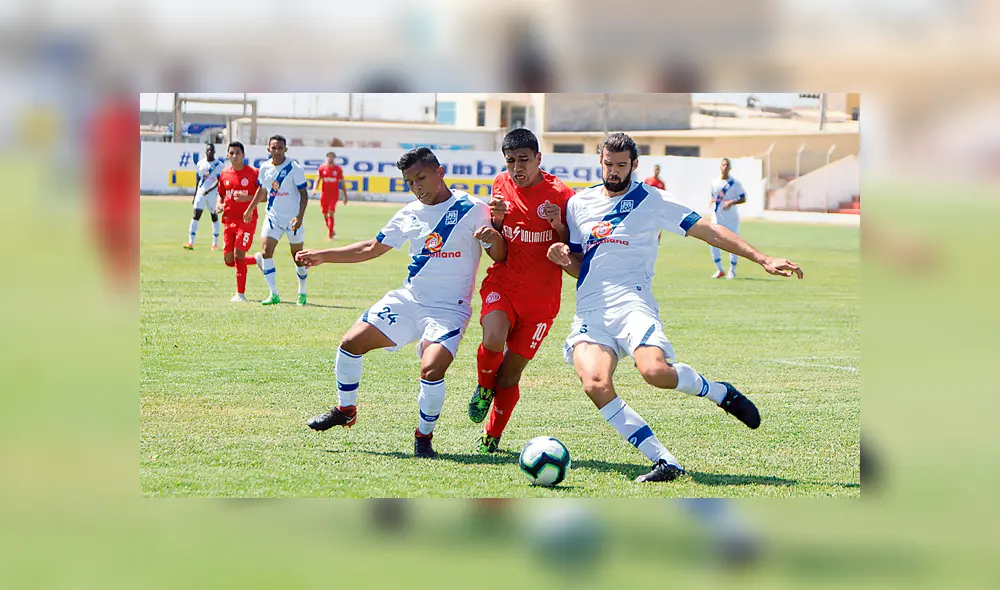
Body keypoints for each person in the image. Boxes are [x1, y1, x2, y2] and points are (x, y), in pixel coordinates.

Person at [547, 132, 803, 483]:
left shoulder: (653, 200)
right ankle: (665, 460)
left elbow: (710, 231)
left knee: (656, 373)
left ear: (635, 165)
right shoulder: (579, 204)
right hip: (591, 310)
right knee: (594, 382)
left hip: (632, 302)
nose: (614, 172)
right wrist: (562, 257)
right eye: (608, 164)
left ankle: (718, 392)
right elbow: (580, 263)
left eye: (622, 165)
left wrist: (762, 258)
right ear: (600, 162)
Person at [298, 147, 506, 458]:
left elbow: (499, 255)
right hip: (410, 299)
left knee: (432, 369)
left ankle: (423, 437)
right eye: (410, 182)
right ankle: (345, 410)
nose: (417, 187)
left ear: (440, 172)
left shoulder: (473, 209)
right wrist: (323, 256)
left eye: (421, 178)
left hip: (449, 310)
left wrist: (495, 232)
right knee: (351, 343)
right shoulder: (409, 213)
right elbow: (371, 247)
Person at [467, 128, 576, 454]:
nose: (517, 167)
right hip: (504, 283)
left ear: (539, 159)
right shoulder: (500, 184)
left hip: (541, 301)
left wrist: (558, 226)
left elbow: (575, 245)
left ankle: (492, 435)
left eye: (524, 160)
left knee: (510, 375)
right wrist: (495, 226)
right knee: (492, 338)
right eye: (511, 160)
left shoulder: (561, 194)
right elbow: (498, 248)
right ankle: (483, 387)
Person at [242, 135, 310, 305]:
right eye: (274, 148)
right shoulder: (264, 168)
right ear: (268, 149)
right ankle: (273, 294)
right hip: (273, 217)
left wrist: (300, 217)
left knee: (298, 257)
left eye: (280, 148)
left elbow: (304, 195)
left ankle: (302, 292)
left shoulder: (295, 168)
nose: (277, 151)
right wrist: (250, 208)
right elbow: (262, 190)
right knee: (266, 251)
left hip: (292, 219)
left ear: (285, 149)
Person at [215, 142, 260, 302]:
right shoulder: (224, 174)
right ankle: (256, 260)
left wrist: (247, 198)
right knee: (229, 260)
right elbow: (220, 194)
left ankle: (240, 294)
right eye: (231, 153)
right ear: (227, 155)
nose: (234, 156)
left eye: (237, 153)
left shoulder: (254, 173)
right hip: (229, 220)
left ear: (243, 155)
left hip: (247, 220)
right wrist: (219, 204)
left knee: (238, 254)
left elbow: (265, 196)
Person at [184, 143, 226, 251]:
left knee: (214, 216)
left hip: (212, 195)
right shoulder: (200, 163)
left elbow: (219, 182)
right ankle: (190, 242)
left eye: (211, 150)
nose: (210, 152)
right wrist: (195, 195)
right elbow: (198, 180)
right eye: (208, 150)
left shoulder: (219, 165)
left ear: (214, 151)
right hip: (201, 193)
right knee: (196, 215)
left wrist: (209, 190)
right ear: (205, 151)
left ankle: (215, 243)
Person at [709, 158, 746, 279]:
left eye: (727, 165)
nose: (725, 167)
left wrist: (731, 202)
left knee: (733, 242)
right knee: (712, 240)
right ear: (720, 167)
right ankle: (719, 269)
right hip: (717, 216)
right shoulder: (714, 182)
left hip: (731, 218)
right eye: (723, 165)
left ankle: (732, 269)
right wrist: (713, 202)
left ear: (730, 168)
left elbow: (743, 198)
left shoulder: (735, 183)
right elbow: (713, 196)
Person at [316, 151, 349, 240]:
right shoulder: (322, 168)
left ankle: (330, 235)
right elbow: (318, 179)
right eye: (329, 157)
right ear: (327, 157)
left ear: (334, 158)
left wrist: (345, 196)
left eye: (332, 157)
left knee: (331, 213)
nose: (330, 159)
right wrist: (314, 189)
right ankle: (331, 229)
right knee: (324, 213)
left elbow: (342, 183)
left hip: (334, 194)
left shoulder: (338, 169)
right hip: (324, 194)